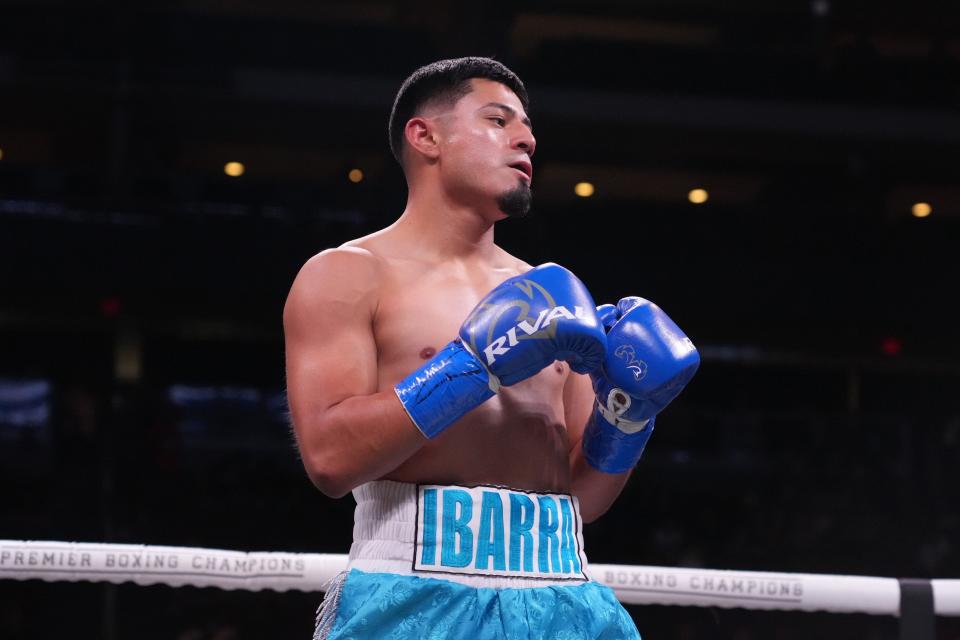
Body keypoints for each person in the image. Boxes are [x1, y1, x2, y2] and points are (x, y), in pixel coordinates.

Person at [283, 57, 700, 639]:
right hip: (418, 597)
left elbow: (583, 495)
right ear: (425, 136)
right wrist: (474, 364)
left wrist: (626, 417)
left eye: (526, 127)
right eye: (499, 121)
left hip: (564, 596)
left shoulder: (557, 302)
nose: (527, 138)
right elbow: (330, 459)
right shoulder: (350, 275)